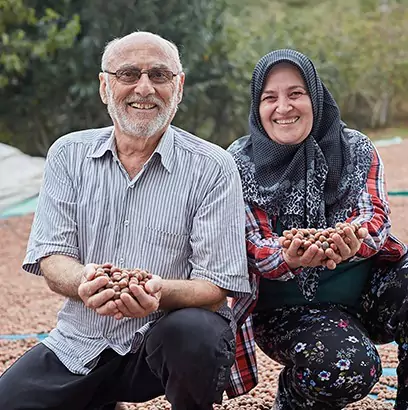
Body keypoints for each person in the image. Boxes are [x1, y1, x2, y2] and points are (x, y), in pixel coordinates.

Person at [0, 31, 251, 410]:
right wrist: (85, 281)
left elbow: (216, 285)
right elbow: (53, 258)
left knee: (196, 332)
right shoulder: (68, 155)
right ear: (105, 86)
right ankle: (99, 399)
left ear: (179, 87)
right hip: (80, 342)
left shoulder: (212, 167)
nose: (145, 88)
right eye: (128, 74)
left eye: (160, 75)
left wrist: (155, 293)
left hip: (160, 341)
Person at [225, 48, 408, 410]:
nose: (284, 107)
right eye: (270, 98)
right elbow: (253, 246)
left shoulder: (355, 148)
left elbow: (375, 218)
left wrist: (351, 239)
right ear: (256, 107)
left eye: (296, 93)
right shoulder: (239, 164)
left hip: (365, 294)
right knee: (346, 368)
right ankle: (294, 399)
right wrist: (288, 254)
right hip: (289, 310)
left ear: (316, 96)